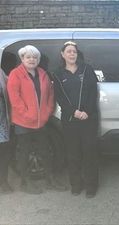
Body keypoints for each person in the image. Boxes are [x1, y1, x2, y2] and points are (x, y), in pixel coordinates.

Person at [7, 45, 66, 194]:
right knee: (24, 152)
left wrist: (46, 112)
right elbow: (14, 98)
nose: (32, 60)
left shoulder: (43, 74)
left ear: (38, 59)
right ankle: (24, 182)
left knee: (45, 150)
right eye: (28, 57)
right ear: (22, 59)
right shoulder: (16, 74)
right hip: (23, 122)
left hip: (41, 121)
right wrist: (27, 114)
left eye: (34, 57)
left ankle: (50, 180)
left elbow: (50, 96)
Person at [53, 41, 99, 198]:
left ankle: (91, 186)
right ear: (62, 54)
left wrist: (86, 111)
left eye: (74, 51)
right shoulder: (58, 74)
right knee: (73, 154)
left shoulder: (87, 69)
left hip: (88, 118)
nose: (72, 54)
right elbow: (60, 97)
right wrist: (74, 112)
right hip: (70, 120)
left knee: (89, 152)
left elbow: (94, 92)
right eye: (68, 51)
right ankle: (76, 185)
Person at [0, 68, 13, 194]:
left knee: (3, 153)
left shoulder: (1, 72)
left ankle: (3, 181)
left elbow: (10, 83)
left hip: (2, 121)